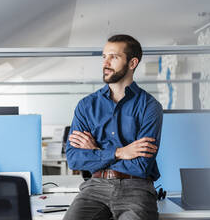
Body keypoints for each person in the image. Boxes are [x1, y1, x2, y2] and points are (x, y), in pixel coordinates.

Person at [64, 34, 163, 220]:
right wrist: (119, 152)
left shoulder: (150, 106)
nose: (105, 63)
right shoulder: (86, 106)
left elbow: (141, 166)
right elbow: (74, 159)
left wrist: (95, 151)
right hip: (95, 187)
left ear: (132, 63)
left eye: (114, 57)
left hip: (137, 188)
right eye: (104, 56)